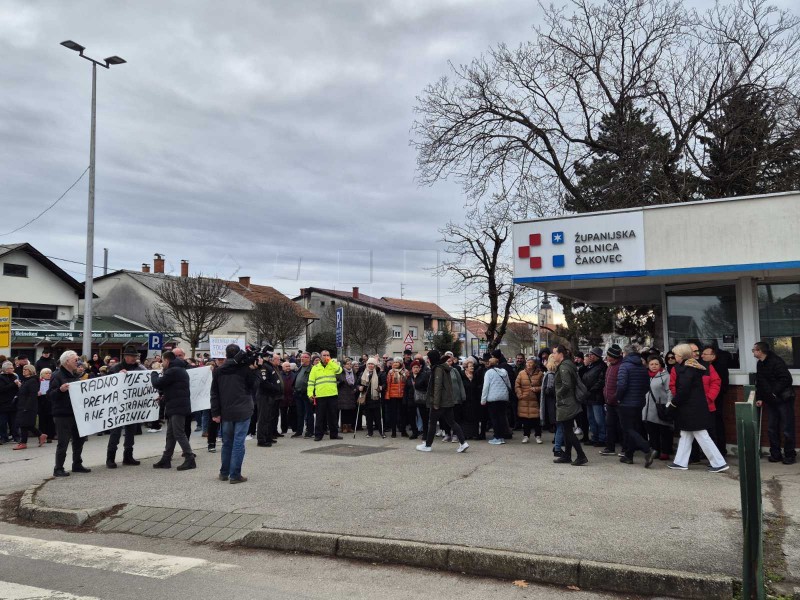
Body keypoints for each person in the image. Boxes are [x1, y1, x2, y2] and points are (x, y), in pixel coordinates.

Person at [667, 344, 728, 472]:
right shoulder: (694, 367)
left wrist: (673, 404)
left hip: (690, 407)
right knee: (686, 434)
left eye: (676, 354)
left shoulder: (686, 369)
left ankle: (718, 463)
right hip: (694, 406)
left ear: (682, 355)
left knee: (701, 434)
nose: (675, 357)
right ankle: (680, 462)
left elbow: (683, 390)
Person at [210, 344, 260, 483]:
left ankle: (224, 472)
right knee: (238, 443)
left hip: (226, 411)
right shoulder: (244, 369)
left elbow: (214, 393)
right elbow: (254, 386)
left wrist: (215, 412)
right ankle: (235, 474)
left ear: (226, 355)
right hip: (243, 410)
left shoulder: (219, 370)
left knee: (227, 443)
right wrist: (256, 370)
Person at [416, 350, 468, 453]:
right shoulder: (443, 367)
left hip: (440, 402)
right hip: (447, 401)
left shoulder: (438, 369)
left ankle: (427, 445)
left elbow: (437, 387)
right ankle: (463, 443)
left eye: (429, 358)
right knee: (452, 422)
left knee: (432, 423)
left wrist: (435, 403)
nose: (428, 361)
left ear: (431, 359)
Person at [753, 341, 796, 465]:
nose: (753, 352)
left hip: (783, 399)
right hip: (771, 400)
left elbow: (786, 379)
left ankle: (789, 454)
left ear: (760, 351)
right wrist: (760, 397)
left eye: (754, 350)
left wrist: (773, 392)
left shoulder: (776, 361)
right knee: (772, 428)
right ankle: (775, 454)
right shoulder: (760, 364)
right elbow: (760, 381)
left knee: (787, 428)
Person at [151, 351, 195, 470]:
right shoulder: (178, 369)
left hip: (177, 407)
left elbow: (158, 383)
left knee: (179, 433)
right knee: (171, 434)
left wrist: (153, 373)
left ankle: (190, 458)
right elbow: (174, 387)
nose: (162, 364)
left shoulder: (173, 370)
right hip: (175, 405)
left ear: (167, 360)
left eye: (163, 361)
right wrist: (165, 396)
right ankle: (166, 459)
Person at [48, 351, 89, 477]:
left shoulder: (74, 375)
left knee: (79, 440)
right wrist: (60, 390)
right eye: (75, 360)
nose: (78, 362)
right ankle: (58, 468)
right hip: (63, 414)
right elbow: (50, 395)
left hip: (76, 413)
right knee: (63, 442)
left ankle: (77, 463)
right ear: (67, 362)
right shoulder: (57, 375)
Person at [616, 345, 657, 467]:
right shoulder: (642, 366)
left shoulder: (624, 366)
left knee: (628, 428)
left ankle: (647, 449)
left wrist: (618, 397)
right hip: (639, 402)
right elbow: (646, 385)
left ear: (626, 353)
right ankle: (629, 455)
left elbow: (622, 385)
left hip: (626, 403)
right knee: (633, 428)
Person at [105, 347, 143, 469]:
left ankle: (128, 456)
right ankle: (110, 458)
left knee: (131, 432)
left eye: (136, 357)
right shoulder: (115, 368)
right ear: (126, 357)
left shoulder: (138, 368)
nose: (135, 358)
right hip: (118, 405)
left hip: (131, 405)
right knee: (115, 432)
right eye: (133, 356)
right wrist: (118, 376)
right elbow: (107, 384)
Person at [551, 345, 587, 466]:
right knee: (567, 430)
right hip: (569, 401)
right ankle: (567, 455)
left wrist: (558, 394)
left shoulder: (564, 367)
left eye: (554, 353)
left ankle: (581, 455)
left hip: (566, 402)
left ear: (561, 354)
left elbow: (566, 385)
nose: (553, 355)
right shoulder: (568, 364)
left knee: (568, 431)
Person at [308, 350, 343, 441]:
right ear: (320, 357)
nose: (326, 357)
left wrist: (331, 362)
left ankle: (334, 434)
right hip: (320, 395)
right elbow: (311, 382)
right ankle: (318, 435)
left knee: (333, 416)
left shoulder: (332, 365)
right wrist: (310, 394)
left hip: (332, 394)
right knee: (320, 416)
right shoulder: (315, 368)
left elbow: (339, 370)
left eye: (328, 355)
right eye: (324, 355)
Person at [644, 355, 674, 460]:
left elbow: (669, 390)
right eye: (651, 364)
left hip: (661, 407)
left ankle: (665, 451)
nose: (654, 366)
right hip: (648, 408)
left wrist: (669, 404)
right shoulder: (646, 375)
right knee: (652, 431)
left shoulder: (665, 376)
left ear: (660, 365)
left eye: (656, 364)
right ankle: (655, 450)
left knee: (664, 430)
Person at [13, 364, 47, 449]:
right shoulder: (26, 380)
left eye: (26, 369)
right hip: (22, 405)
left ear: (31, 371)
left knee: (25, 424)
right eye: (23, 369)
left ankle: (24, 442)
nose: (24, 371)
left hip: (28, 406)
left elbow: (32, 395)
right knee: (25, 424)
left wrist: (27, 407)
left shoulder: (32, 381)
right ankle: (40, 435)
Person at [481, 356, 512, 445]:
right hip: (504, 397)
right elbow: (509, 384)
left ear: (489, 364)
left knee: (494, 418)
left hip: (493, 398)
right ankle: (501, 437)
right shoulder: (504, 371)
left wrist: (483, 400)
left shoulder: (489, 372)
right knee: (502, 417)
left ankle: (497, 436)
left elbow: (486, 387)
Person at [600, 344, 623, 456]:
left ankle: (625, 449)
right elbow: (607, 382)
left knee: (621, 426)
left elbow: (621, 385)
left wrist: (614, 396)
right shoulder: (610, 366)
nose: (607, 357)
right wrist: (605, 392)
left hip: (618, 402)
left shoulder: (621, 366)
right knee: (609, 425)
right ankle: (610, 447)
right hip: (609, 402)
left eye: (608, 355)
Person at [256, 354, 283, 447]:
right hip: (264, 395)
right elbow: (264, 382)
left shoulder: (270, 366)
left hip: (270, 395)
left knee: (269, 417)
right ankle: (261, 439)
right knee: (263, 418)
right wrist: (275, 388)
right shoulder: (264, 366)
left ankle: (268, 436)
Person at [582, 347, 607, 447]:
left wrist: (591, 390)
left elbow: (601, 381)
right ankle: (594, 437)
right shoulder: (590, 366)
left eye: (592, 355)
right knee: (591, 419)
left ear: (597, 356)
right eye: (589, 355)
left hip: (596, 396)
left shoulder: (602, 366)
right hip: (589, 396)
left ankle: (602, 438)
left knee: (599, 419)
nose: (590, 356)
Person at [514, 357, 543, 443]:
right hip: (524, 399)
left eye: (531, 363)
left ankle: (538, 435)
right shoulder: (521, 373)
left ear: (534, 364)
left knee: (536, 419)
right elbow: (517, 385)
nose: (529, 364)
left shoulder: (540, 373)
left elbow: (543, 386)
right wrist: (520, 395)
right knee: (525, 419)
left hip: (535, 399)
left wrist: (537, 389)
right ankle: (526, 435)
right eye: (527, 363)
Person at [359, 357, 384, 437]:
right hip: (366, 398)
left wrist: (381, 387)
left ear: (375, 365)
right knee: (368, 417)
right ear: (367, 364)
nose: (370, 365)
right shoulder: (363, 373)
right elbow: (358, 383)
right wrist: (359, 387)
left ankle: (381, 432)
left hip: (376, 397)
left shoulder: (379, 373)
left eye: (372, 364)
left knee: (378, 417)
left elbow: (384, 383)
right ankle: (370, 432)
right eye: (369, 364)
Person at [292, 352, 314, 438]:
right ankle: (299, 431)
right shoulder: (300, 368)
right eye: (301, 357)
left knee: (308, 413)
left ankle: (310, 431)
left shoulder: (312, 369)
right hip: (298, 393)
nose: (302, 358)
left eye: (305, 357)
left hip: (307, 393)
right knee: (299, 413)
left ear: (309, 359)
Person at [384, 358, 406, 438]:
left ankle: (403, 431)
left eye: (398, 362)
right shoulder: (390, 372)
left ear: (401, 363)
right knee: (393, 414)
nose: (396, 363)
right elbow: (388, 383)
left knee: (403, 414)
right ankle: (393, 432)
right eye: (395, 362)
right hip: (393, 396)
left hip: (403, 396)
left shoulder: (405, 372)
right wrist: (387, 395)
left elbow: (406, 384)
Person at [0, 361, 20, 444]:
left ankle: (16, 437)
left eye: (13, 368)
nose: (13, 369)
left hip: (14, 402)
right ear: (6, 369)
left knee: (14, 422)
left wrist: (19, 386)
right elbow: (2, 389)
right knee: (2, 422)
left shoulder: (15, 376)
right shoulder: (1, 377)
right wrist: (13, 384)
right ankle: (4, 437)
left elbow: (17, 389)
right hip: (3, 403)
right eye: (11, 368)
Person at [338, 359, 358, 434]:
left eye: (350, 364)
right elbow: (337, 381)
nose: (349, 365)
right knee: (344, 411)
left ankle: (349, 427)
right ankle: (344, 427)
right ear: (344, 365)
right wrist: (340, 383)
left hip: (351, 394)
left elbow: (355, 382)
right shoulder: (341, 372)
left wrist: (355, 388)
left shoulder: (353, 372)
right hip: (343, 394)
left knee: (351, 411)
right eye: (347, 364)